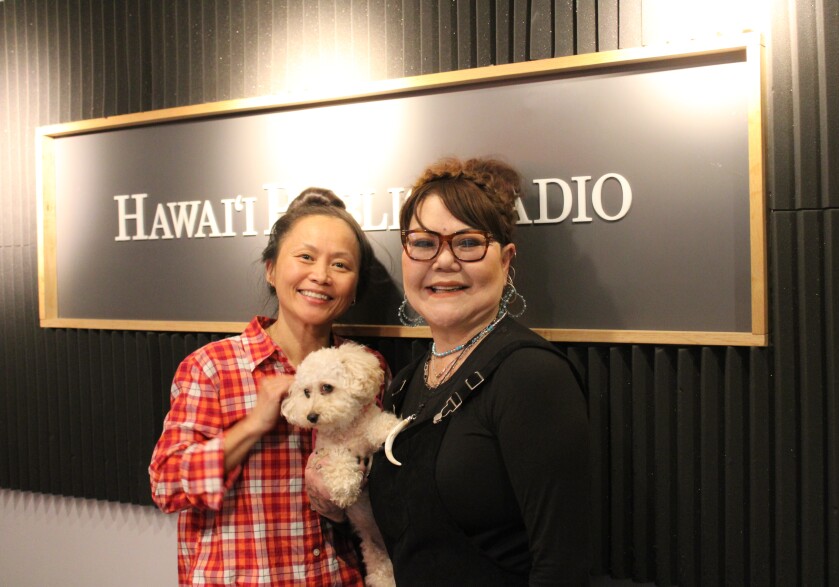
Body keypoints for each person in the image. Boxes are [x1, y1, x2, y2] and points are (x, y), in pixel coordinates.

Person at [369, 157, 592, 585]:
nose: (444, 261)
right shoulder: (405, 382)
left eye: (468, 242)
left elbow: (562, 567)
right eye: (423, 242)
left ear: (506, 261)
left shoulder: (531, 375)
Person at [149, 188, 387, 587]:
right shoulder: (213, 367)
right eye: (305, 257)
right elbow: (166, 486)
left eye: (340, 264)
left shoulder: (366, 368)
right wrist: (252, 426)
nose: (321, 275)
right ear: (272, 270)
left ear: (355, 288)